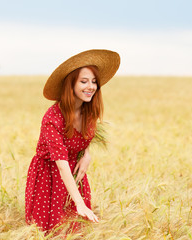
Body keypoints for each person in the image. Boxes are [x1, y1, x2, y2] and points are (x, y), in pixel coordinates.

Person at [25, 49, 120, 234]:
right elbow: (60, 164)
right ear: (71, 85)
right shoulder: (53, 118)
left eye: (94, 82)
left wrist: (86, 154)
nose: (90, 86)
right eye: (84, 81)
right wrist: (80, 203)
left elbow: (85, 137)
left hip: (75, 175)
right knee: (51, 232)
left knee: (76, 231)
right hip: (50, 177)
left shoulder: (89, 111)